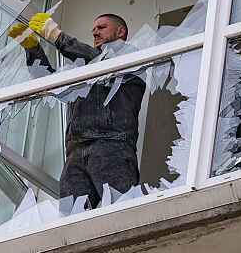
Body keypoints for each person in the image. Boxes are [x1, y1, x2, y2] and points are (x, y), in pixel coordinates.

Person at [7, 12, 144, 209]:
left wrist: (56, 35)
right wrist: (33, 50)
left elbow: (100, 61)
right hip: (75, 152)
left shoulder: (130, 59)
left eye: (101, 27)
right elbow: (51, 85)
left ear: (120, 31)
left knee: (120, 211)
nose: (95, 32)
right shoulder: (87, 68)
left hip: (110, 146)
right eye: (93, 29)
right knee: (69, 223)